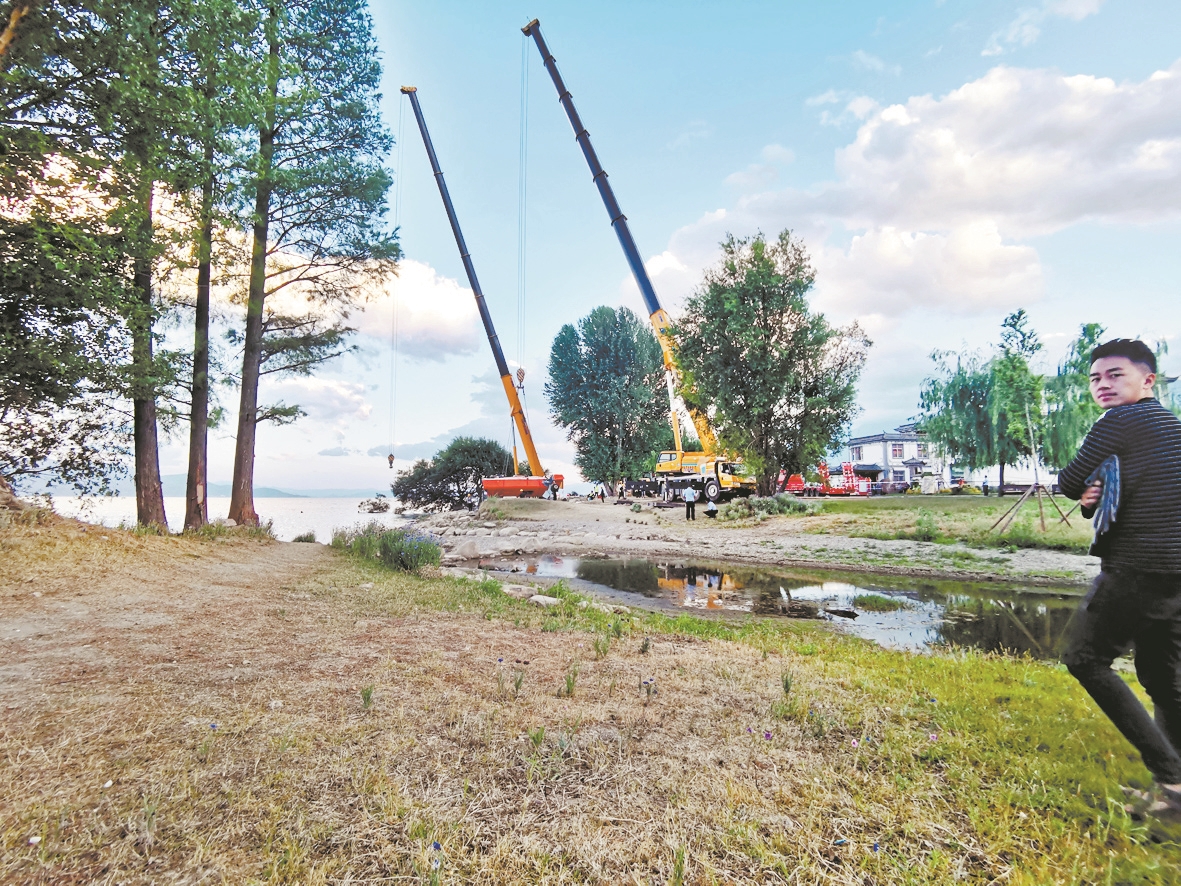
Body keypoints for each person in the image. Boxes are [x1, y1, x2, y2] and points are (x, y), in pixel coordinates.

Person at [1058, 339, 1181, 814]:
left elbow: (1069, 481)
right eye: (1095, 378)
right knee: (1162, 677)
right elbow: (1153, 490)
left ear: (1148, 380)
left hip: (1140, 567)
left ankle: (1171, 780)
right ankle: (1176, 788)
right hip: (1175, 570)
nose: (1102, 386)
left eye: (1115, 375)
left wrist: (1085, 490)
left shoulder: (1122, 421)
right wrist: (1101, 491)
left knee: (1084, 659)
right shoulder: (1171, 428)